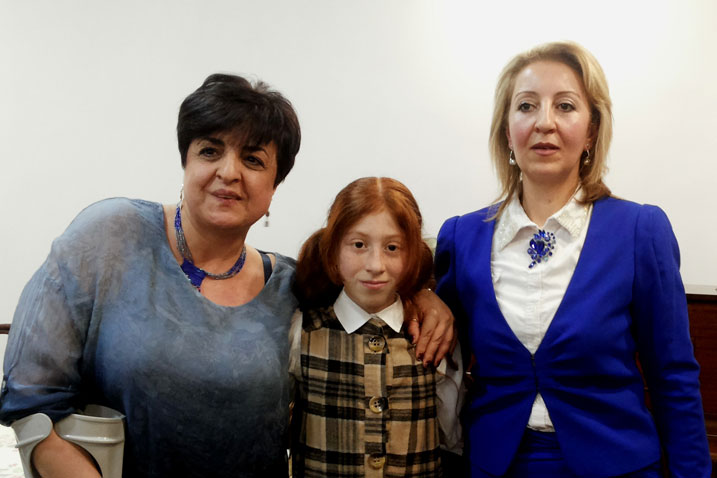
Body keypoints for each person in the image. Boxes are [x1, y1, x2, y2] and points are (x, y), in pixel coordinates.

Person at [0, 74, 454, 478]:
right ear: (186, 162)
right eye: (210, 151)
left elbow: (370, 288)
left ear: (274, 186)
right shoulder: (110, 237)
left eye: (253, 160)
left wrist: (424, 295)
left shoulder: (289, 286)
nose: (229, 172)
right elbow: (31, 404)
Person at [435, 41, 711, 477]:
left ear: (592, 131)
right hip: (494, 466)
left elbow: (673, 378)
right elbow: (443, 359)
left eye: (565, 106)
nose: (544, 122)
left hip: (619, 466)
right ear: (507, 131)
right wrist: (420, 295)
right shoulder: (461, 237)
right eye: (526, 106)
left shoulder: (640, 231)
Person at [290, 177, 463, 477]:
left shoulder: (433, 337)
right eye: (358, 245)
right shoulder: (301, 332)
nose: (375, 265)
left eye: (392, 247)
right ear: (332, 251)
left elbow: (451, 437)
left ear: (413, 255)